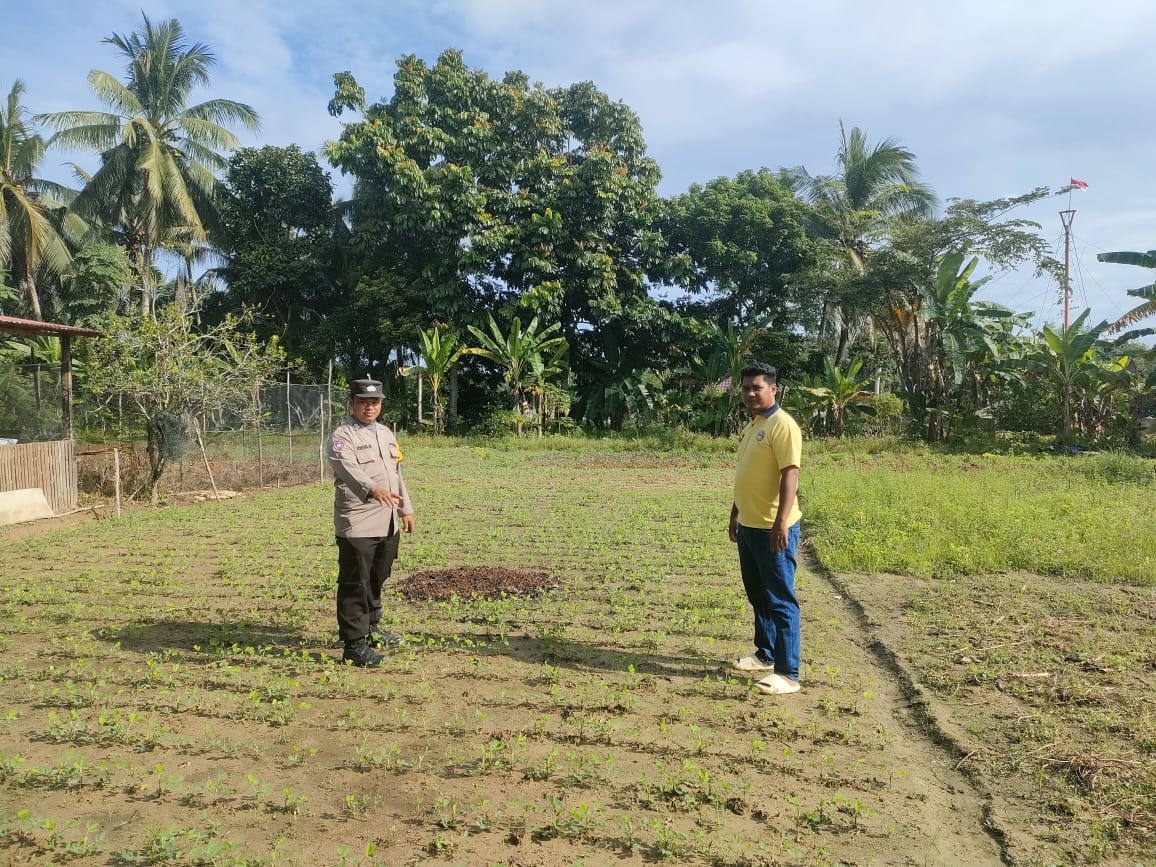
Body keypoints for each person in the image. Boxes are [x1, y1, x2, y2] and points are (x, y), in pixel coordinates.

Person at [728, 362, 804, 695]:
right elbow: (746, 474)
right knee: (758, 595)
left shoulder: (782, 425)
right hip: (749, 525)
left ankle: (788, 674)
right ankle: (766, 654)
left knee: (780, 599)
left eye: (756, 387)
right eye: (745, 388)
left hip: (773, 527)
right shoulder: (753, 426)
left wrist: (780, 522)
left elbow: (790, 474)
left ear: (773, 389)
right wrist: (735, 513)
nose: (749, 393)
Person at [329, 378, 415, 666]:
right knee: (356, 582)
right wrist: (371, 489)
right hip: (358, 521)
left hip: (387, 520)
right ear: (352, 402)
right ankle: (354, 645)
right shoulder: (342, 437)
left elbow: (397, 474)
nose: (370, 407)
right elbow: (348, 469)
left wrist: (407, 510)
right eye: (364, 401)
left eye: (375, 402)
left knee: (377, 577)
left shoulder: (386, 434)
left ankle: (372, 628)